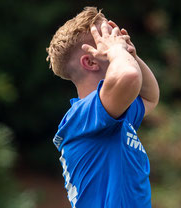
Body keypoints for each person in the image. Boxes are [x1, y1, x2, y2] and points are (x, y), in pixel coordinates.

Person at [46, 6, 159, 208]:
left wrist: (131, 55)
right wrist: (117, 52)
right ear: (90, 61)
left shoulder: (110, 114)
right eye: (107, 38)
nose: (117, 41)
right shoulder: (83, 116)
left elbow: (149, 97)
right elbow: (129, 76)